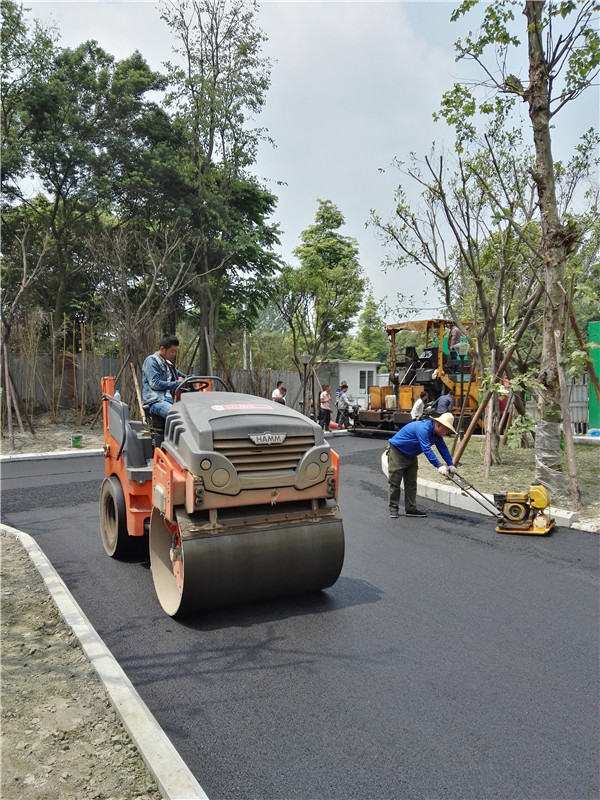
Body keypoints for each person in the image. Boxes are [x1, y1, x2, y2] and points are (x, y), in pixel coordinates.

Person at [387, 412, 457, 518]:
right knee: (395, 482)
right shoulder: (424, 428)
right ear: (439, 425)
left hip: (411, 454)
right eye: (446, 429)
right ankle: (393, 508)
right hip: (398, 451)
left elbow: (443, 448)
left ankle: (410, 509)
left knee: (411, 482)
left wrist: (450, 464)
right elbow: (426, 449)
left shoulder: (437, 435)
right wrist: (439, 466)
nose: (446, 432)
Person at [141, 335, 186, 419]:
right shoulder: (151, 361)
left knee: (190, 414)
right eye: (172, 351)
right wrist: (177, 383)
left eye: (175, 351)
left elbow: (184, 376)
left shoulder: (168, 364)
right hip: (156, 401)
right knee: (178, 416)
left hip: (169, 401)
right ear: (162, 349)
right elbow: (155, 384)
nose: (174, 354)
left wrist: (192, 380)